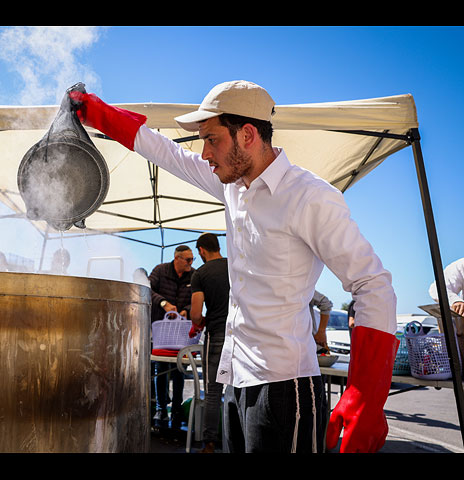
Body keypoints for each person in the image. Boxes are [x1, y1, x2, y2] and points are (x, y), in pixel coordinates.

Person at [70, 80, 399, 453]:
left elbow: (373, 284)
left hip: (285, 387)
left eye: (212, 139)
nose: (205, 153)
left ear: (246, 135)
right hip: (235, 379)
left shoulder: (310, 196)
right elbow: (166, 153)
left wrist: (364, 397)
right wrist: (95, 112)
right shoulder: (233, 185)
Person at [189, 233, 229, 453]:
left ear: (202, 250)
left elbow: (195, 314)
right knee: (237, 389)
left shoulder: (200, 273)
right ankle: (236, 441)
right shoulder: (235, 266)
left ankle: (210, 444)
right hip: (240, 335)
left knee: (213, 391)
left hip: (215, 334)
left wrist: (201, 321)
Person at [149, 245, 195, 429]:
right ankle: (161, 408)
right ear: (177, 258)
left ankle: (176, 409)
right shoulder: (159, 271)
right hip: (160, 331)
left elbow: (199, 299)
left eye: (193, 259)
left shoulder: (194, 275)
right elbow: (146, 289)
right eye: (188, 260)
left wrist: (186, 310)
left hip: (182, 332)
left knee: (179, 369)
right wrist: (163, 303)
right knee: (160, 369)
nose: (191, 263)